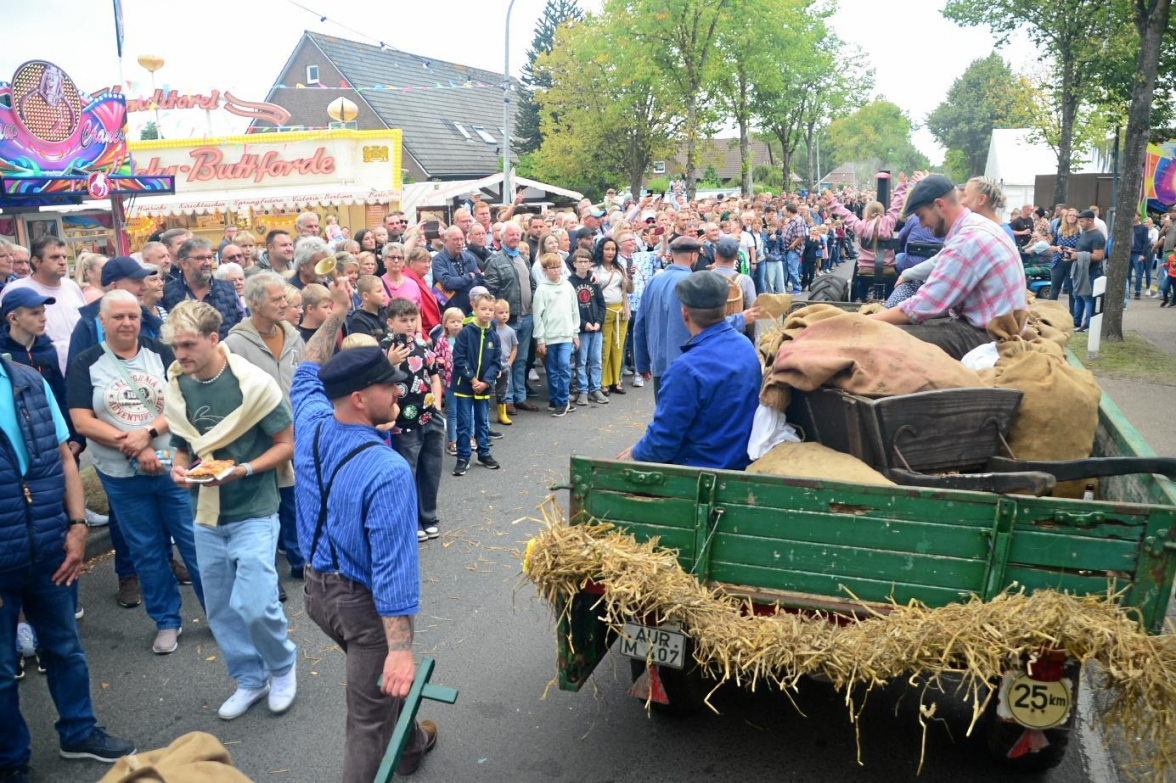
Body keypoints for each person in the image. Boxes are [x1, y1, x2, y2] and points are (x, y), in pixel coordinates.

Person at [291, 285, 438, 781]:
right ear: (358, 398)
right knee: (368, 720)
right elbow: (394, 573)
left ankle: (413, 745)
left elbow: (309, 368)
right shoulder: (388, 470)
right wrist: (399, 649)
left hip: (316, 595)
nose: (399, 390)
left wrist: (333, 313)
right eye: (388, 386)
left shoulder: (311, 418)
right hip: (361, 608)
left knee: (378, 688)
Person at [0, 347, 137, 779]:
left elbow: (64, 459)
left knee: (65, 648)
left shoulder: (26, 379)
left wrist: (78, 527)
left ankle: (78, 731)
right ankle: (10, 759)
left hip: (49, 546)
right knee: (2, 671)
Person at [163, 301, 297, 721]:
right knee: (220, 606)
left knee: (256, 603)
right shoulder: (177, 383)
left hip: (254, 506)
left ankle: (282, 667)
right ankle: (249, 678)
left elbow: (286, 444)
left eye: (188, 345)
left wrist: (242, 469)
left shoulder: (253, 384)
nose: (180, 355)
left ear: (213, 339)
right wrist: (180, 468)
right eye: (174, 347)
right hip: (204, 511)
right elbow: (183, 442)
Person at [66, 291, 204, 655]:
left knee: (194, 544)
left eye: (133, 316)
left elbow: (182, 400)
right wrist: (135, 445)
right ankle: (166, 621)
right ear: (102, 320)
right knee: (146, 551)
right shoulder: (86, 363)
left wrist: (149, 434)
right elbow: (82, 419)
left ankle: (218, 615)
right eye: (118, 317)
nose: (127, 323)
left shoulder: (160, 352)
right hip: (120, 475)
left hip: (173, 467)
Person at [869, 175, 1027, 359]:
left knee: (886, 340)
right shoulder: (975, 226)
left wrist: (864, 322)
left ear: (940, 205)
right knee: (899, 327)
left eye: (921, 216)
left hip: (989, 339)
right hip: (993, 326)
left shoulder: (967, 241)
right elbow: (939, 268)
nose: (922, 224)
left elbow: (922, 306)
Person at [620, 272, 760, 470]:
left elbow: (661, 445)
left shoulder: (685, 369)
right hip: (740, 461)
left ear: (684, 313)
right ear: (724, 309)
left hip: (697, 471)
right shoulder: (744, 345)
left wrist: (632, 455)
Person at [225, 271, 305, 581]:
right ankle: (267, 574)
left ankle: (301, 562)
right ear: (254, 303)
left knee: (296, 501)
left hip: (296, 432)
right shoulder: (234, 344)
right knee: (263, 508)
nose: (284, 304)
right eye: (277, 300)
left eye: (285, 298)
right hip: (258, 438)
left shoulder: (294, 336)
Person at [633, 236, 757, 399]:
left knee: (665, 416)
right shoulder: (693, 282)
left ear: (672, 255)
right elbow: (708, 322)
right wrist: (740, 319)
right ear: (693, 256)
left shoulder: (654, 281)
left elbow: (640, 324)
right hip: (688, 364)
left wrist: (642, 363)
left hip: (660, 364)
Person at [381, 298, 445, 542]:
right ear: (390, 322)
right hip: (403, 423)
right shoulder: (383, 349)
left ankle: (428, 516)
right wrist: (389, 362)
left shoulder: (422, 345)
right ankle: (411, 519)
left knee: (431, 468)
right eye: (403, 320)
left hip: (430, 416)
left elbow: (435, 376)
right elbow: (376, 380)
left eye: (412, 319)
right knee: (408, 471)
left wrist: (437, 405)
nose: (409, 325)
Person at [0, 236, 87, 374]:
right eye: (54, 257)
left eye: (64, 257)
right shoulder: (15, 290)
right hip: (38, 374)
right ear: (36, 261)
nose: (62, 262)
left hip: (79, 372)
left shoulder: (72, 287)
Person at [483, 223, 537, 414]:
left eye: (517, 234)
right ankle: (507, 399)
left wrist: (530, 306)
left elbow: (532, 284)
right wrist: (498, 316)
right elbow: (490, 291)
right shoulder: (495, 260)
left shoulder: (523, 258)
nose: (515, 237)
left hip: (526, 317)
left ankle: (520, 397)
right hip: (507, 320)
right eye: (511, 235)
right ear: (502, 237)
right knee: (506, 362)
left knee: (522, 359)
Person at [451, 291, 502, 474]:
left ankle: (483, 454)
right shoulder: (465, 333)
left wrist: (486, 382)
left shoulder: (494, 336)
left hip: (484, 388)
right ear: (474, 308)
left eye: (490, 310)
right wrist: (472, 379)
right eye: (483, 309)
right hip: (465, 385)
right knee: (464, 423)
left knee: (483, 422)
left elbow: (496, 362)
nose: (487, 313)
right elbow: (459, 359)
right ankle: (463, 456)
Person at [161, 239, 242, 338]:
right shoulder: (167, 293)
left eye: (209, 257)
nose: (207, 263)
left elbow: (241, 325)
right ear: (183, 263)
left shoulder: (228, 289)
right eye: (200, 258)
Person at [532, 253, 580, 417]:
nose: (556, 270)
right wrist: (541, 339)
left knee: (564, 365)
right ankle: (555, 398)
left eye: (558, 266)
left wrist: (575, 333)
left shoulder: (567, 286)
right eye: (552, 267)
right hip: (549, 336)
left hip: (566, 335)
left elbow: (574, 311)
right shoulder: (542, 289)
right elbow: (537, 316)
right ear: (545, 270)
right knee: (552, 370)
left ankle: (562, 400)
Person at [592, 237, 632, 396]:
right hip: (604, 312)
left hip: (621, 311)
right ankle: (603, 382)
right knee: (604, 348)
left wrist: (629, 277)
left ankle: (617, 380)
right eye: (607, 249)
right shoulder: (594, 268)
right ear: (601, 250)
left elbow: (629, 290)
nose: (610, 252)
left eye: (613, 249)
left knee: (618, 347)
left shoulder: (620, 267)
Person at [570, 250, 606, 406]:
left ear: (591, 264)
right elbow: (571, 309)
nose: (583, 264)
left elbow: (601, 305)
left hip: (596, 329)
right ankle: (583, 390)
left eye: (586, 261)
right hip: (582, 330)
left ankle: (595, 388)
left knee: (596, 360)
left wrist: (598, 321)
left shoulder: (594, 281)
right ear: (574, 264)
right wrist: (584, 324)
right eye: (580, 261)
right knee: (581, 361)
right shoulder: (570, 283)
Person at [1069, 209, 1106, 332]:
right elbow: (1083, 251)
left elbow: (1098, 256)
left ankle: (1087, 325)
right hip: (1080, 270)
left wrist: (1078, 255)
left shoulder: (1097, 236)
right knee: (1078, 296)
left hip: (1092, 272)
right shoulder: (1084, 233)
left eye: (1082, 221)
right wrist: (1073, 252)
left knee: (1088, 297)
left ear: (1090, 220)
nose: (1080, 224)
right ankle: (1076, 322)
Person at [432, 227, 482, 315]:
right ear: (445, 241)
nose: (459, 243)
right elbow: (447, 283)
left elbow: (478, 281)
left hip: (469, 310)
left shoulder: (469, 258)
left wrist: (457, 285)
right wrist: (469, 277)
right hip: (449, 312)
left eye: (461, 239)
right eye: (455, 240)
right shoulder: (438, 260)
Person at [492, 299, 518, 424]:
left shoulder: (510, 331)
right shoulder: (491, 330)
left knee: (502, 389)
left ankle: (501, 414)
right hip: (492, 365)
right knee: (490, 389)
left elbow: (514, 348)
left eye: (506, 312)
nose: (504, 315)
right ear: (494, 314)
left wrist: (510, 362)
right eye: (501, 312)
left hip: (505, 365)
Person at [347, 275, 390, 342]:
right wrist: (390, 336)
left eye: (383, 290)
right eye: (379, 291)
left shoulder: (386, 311)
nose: (384, 294)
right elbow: (367, 344)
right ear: (366, 296)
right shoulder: (359, 319)